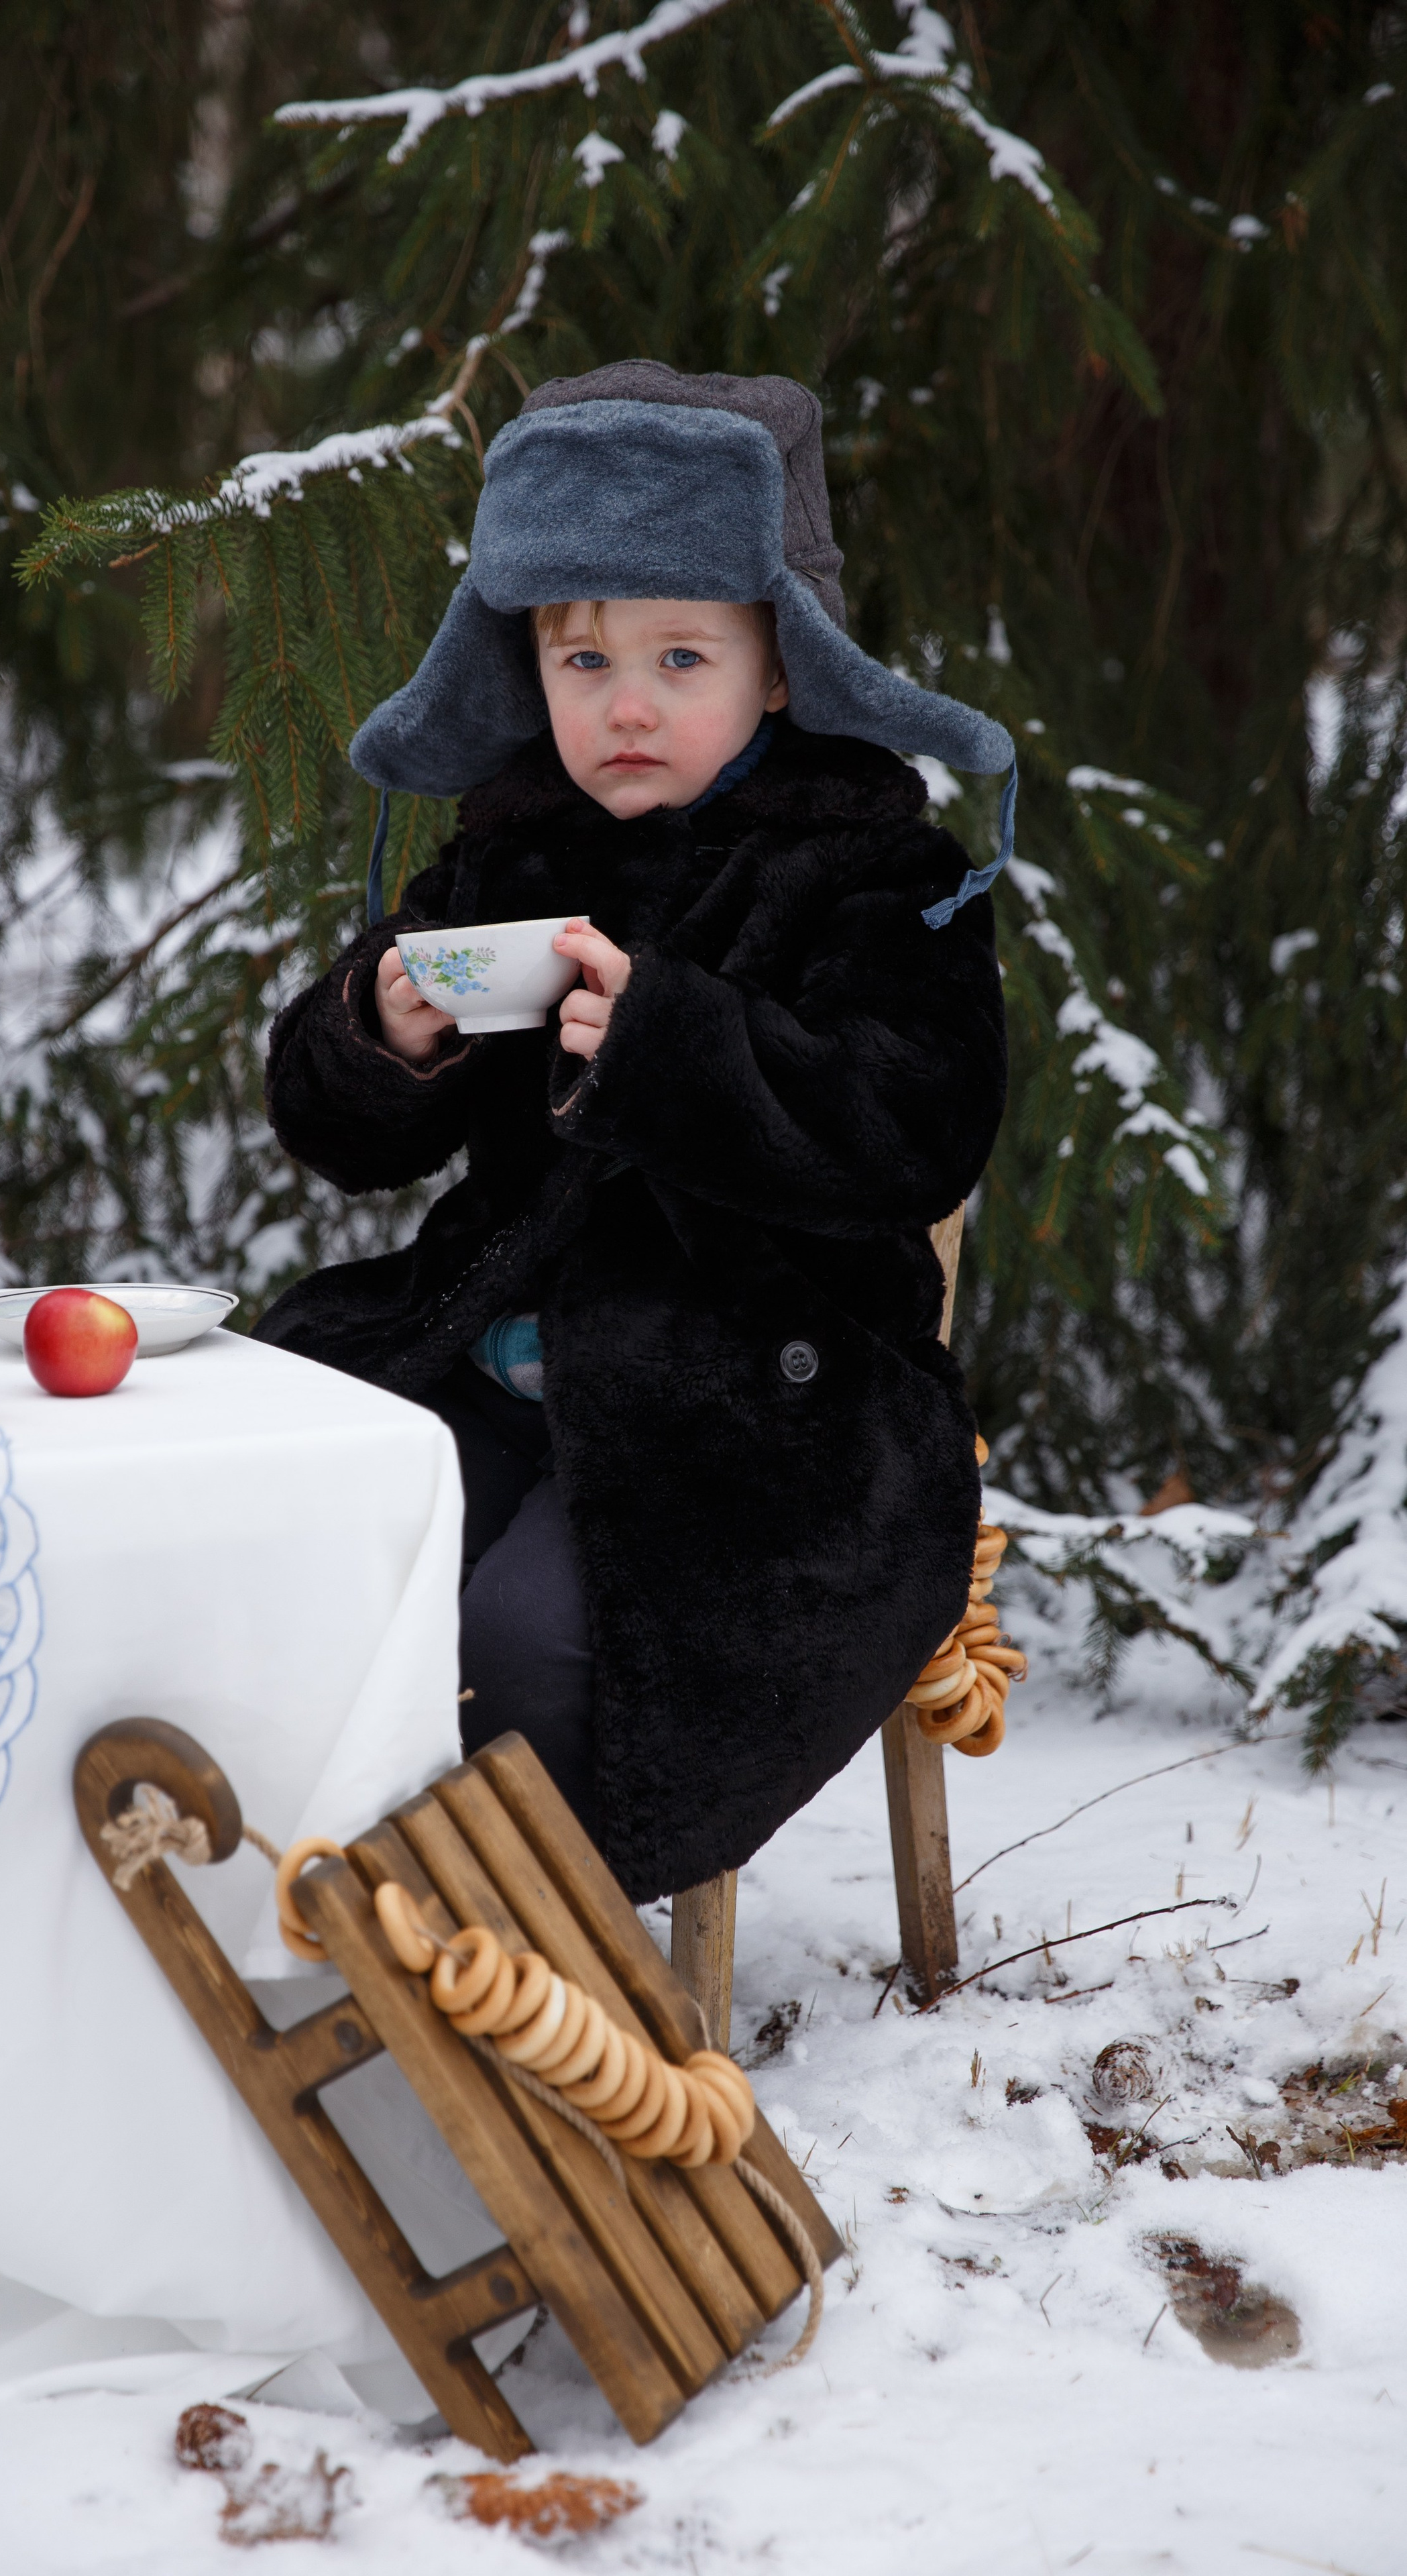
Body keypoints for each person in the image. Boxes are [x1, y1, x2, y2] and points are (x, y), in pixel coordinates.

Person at [256, 362, 1013, 1903]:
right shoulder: (513, 855)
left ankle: (515, 1961)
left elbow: (914, 1124)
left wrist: (671, 1045)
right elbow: (345, 1135)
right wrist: (380, 1035)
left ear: (778, 669)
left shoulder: (871, 873)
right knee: (313, 1546)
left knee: (533, 1643)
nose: (624, 704)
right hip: (498, 1350)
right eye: (581, 657)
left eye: (680, 657)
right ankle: (307, 1909)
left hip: (763, 1394)